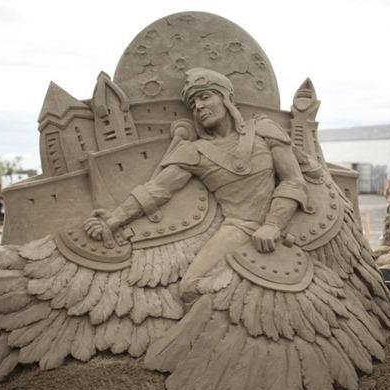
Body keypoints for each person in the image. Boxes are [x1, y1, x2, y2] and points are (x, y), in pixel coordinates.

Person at [84, 67, 310, 301]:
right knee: (190, 287)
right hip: (238, 227)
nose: (199, 106)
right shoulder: (194, 151)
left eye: (204, 97)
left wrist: (273, 224)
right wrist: (112, 220)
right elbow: (157, 189)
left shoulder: (263, 129)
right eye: (193, 104)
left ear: (225, 97)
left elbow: (293, 180)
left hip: (282, 224)